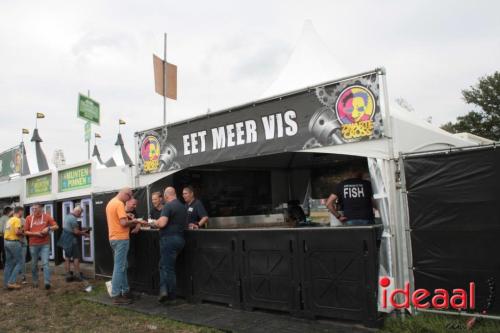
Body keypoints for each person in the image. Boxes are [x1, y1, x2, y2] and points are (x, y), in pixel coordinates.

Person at [106, 188, 144, 305]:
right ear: (126, 195)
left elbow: (118, 221)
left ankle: (125, 291)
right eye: (129, 197)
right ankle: (116, 295)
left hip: (114, 238)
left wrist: (129, 218)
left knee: (122, 265)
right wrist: (136, 221)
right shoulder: (119, 204)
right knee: (119, 267)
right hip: (121, 238)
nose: (129, 200)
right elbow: (123, 223)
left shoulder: (111, 203)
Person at [152, 187, 187, 303]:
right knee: (162, 265)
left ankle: (172, 297)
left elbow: (162, 223)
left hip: (169, 240)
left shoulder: (168, 206)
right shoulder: (183, 206)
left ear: (166, 196)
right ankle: (163, 291)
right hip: (180, 239)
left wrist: (154, 222)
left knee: (168, 268)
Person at [24, 203, 59, 289]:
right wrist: (35, 233)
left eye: (35, 208)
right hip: (33, 244)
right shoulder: (29, 218)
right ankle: (35, 281)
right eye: (33, 208)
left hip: (45, 244)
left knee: (46, 263)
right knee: (34, 264)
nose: (34, 210)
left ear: (41, 208)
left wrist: (49, 228)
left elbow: (56, 226)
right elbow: (25, 231)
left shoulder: (47, 217)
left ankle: (47, 282)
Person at [57, 206, 89, 282]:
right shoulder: (73, 219)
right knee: (76, 257)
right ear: (77, 212)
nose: (80, 215)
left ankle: (68, 275)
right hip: (71, 239)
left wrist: (80, 230)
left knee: (67, 257)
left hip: (65, 239)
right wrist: (84, 233)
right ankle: (77, 275)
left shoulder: (67, 216)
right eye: (80, 213)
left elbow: (70, 228)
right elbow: (76, 232)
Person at [3, 206, 24, 290]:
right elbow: (17, 232)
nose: (22, 214)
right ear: (19, 211)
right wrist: (23, 232)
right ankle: (11, 282)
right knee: (20, 262)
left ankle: (6, 283)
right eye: (22, 212)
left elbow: (7, 231)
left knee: (9, 263)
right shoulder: (17, 220)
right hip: (14, 242)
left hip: (6, 242)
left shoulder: (9, 220)